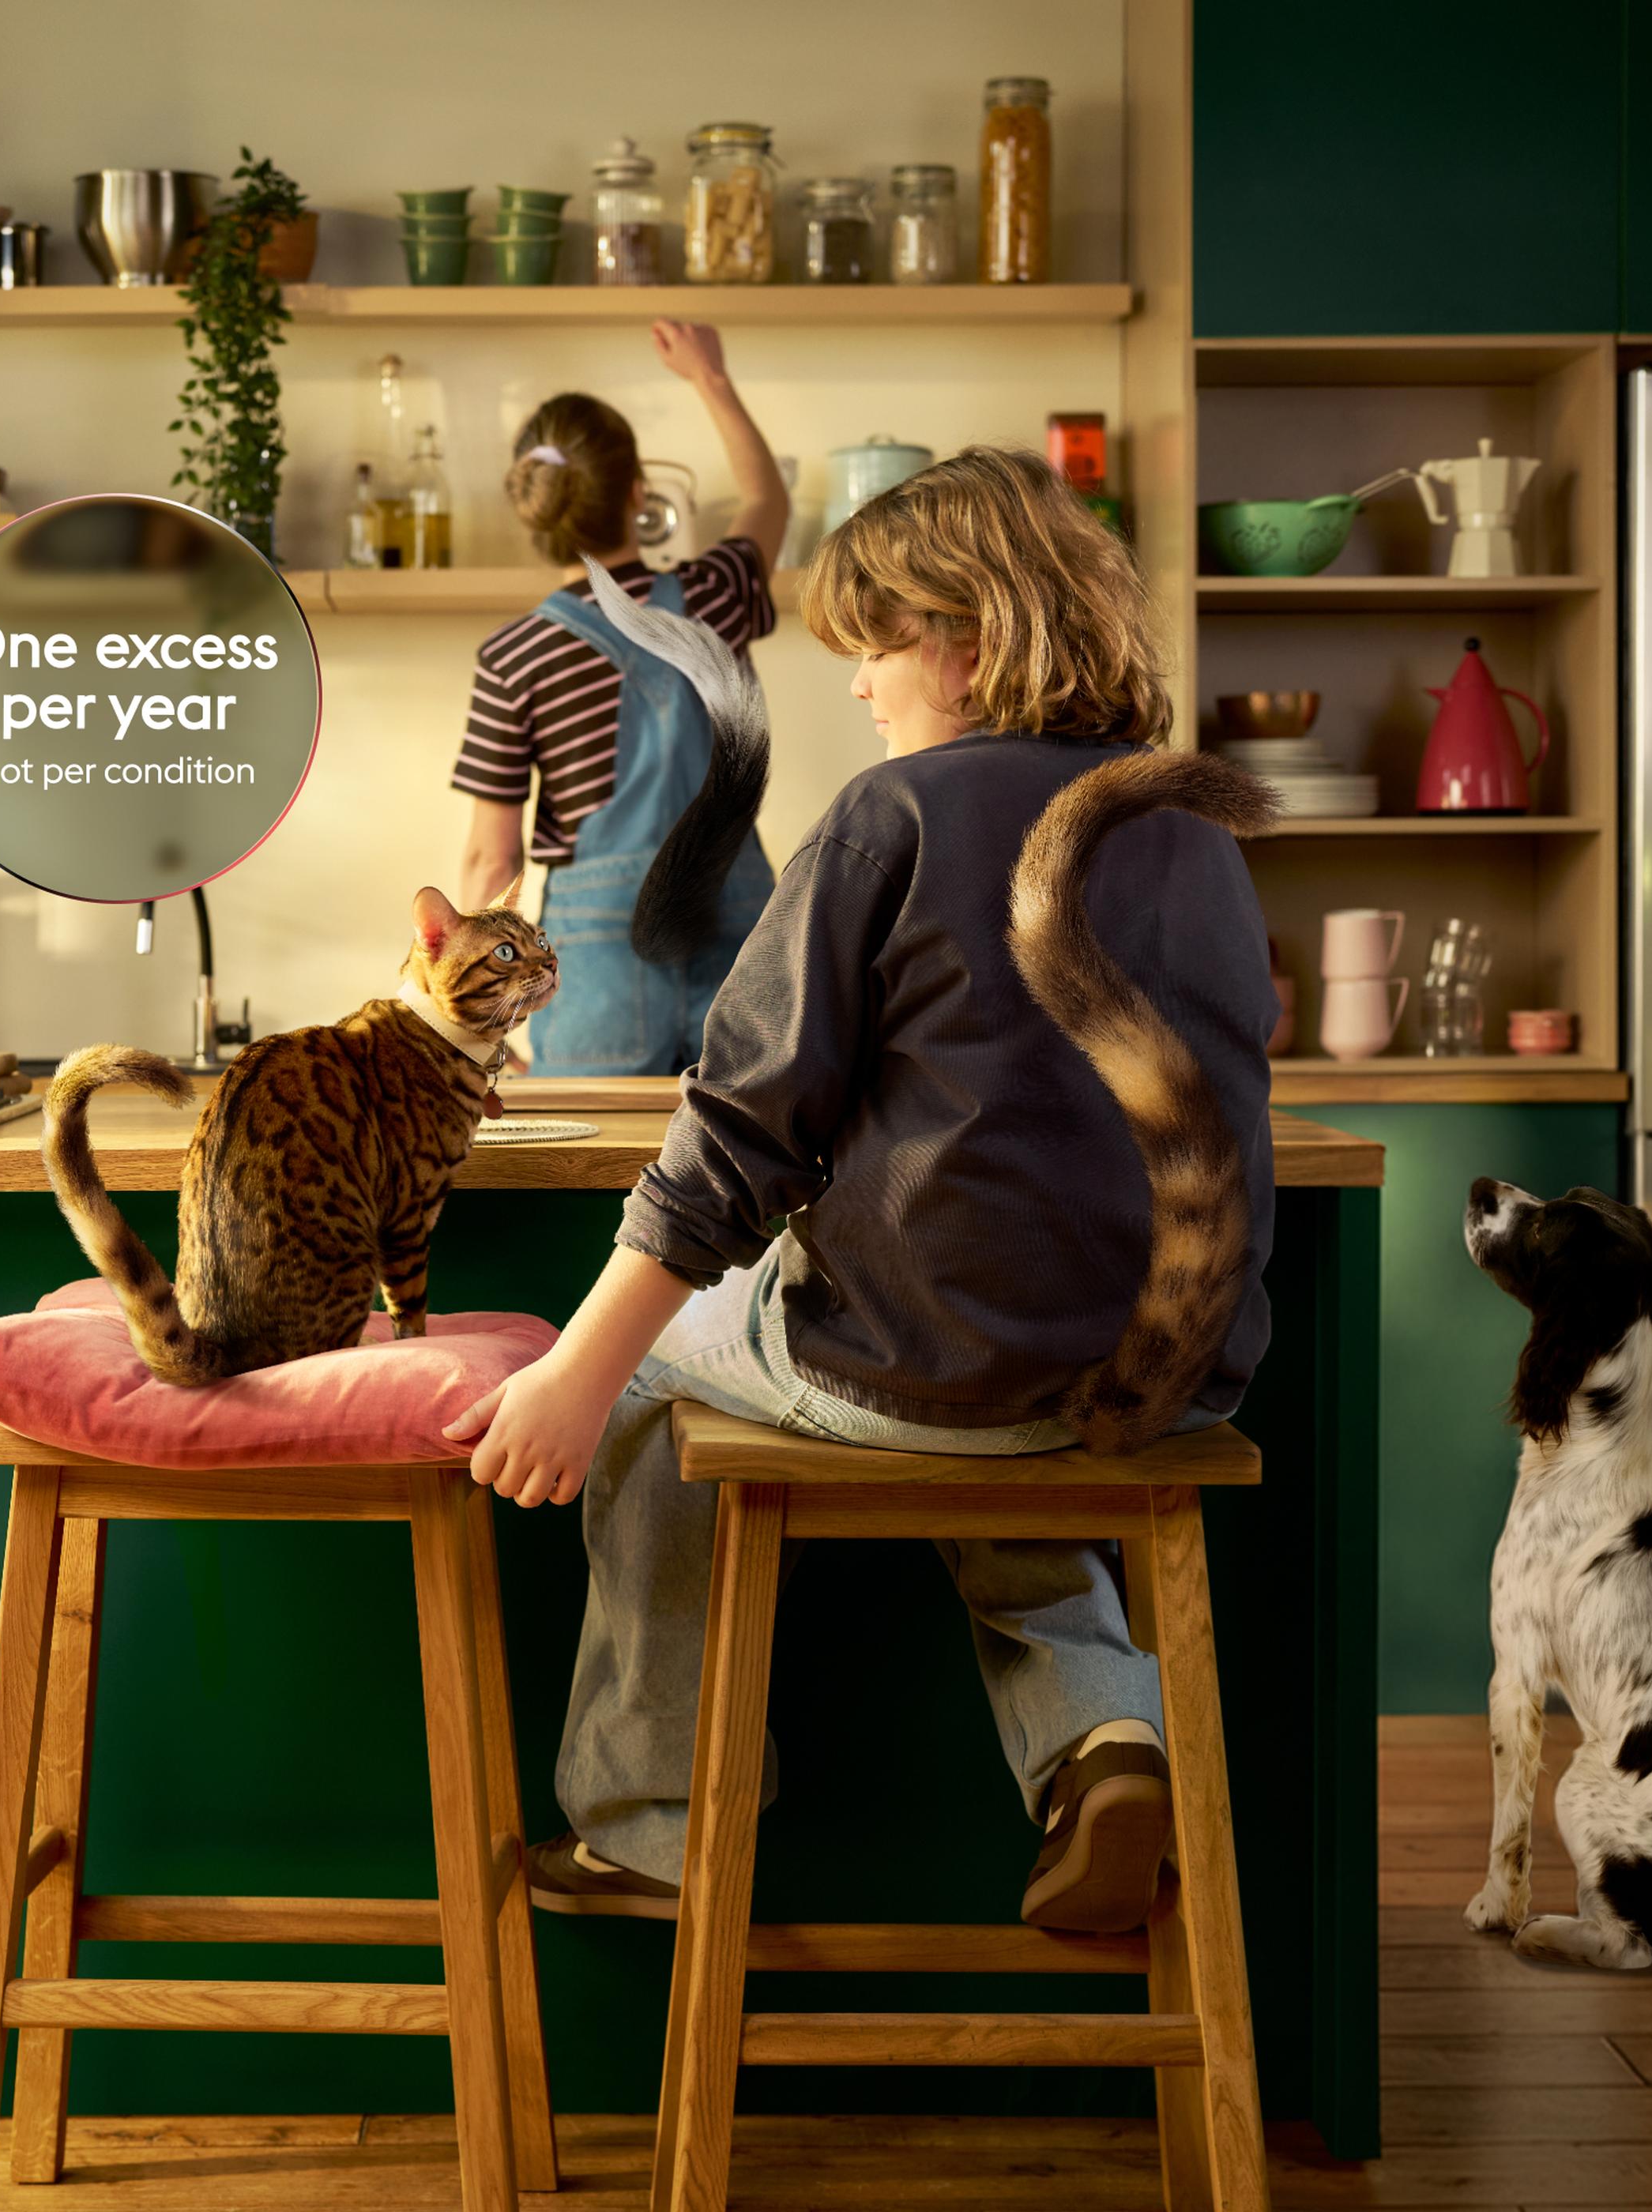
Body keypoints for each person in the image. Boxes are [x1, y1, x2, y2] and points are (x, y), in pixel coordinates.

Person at [442, 448, 1280, 1933]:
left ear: (965, 635)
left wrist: (582, 1370)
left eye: (879, 643)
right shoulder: (1193, 826)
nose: (859, 685)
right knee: (987, 1419)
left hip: (936, 1362)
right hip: (1157, 1373)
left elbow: (740, 1138)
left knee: (664, 1383)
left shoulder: (895, 815)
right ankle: (1105, 1738)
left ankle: (649, 1831)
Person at [448, 320, 790, 1075]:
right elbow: (767, 501)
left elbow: (489, 858)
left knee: (603, 1179)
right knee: (751, 1174)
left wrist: (472, 1028)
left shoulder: (515, 657)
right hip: (741, 951)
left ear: (536, 512)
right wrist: (710, 378)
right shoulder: (712, 596)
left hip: (596, 976)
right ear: (638, 493)